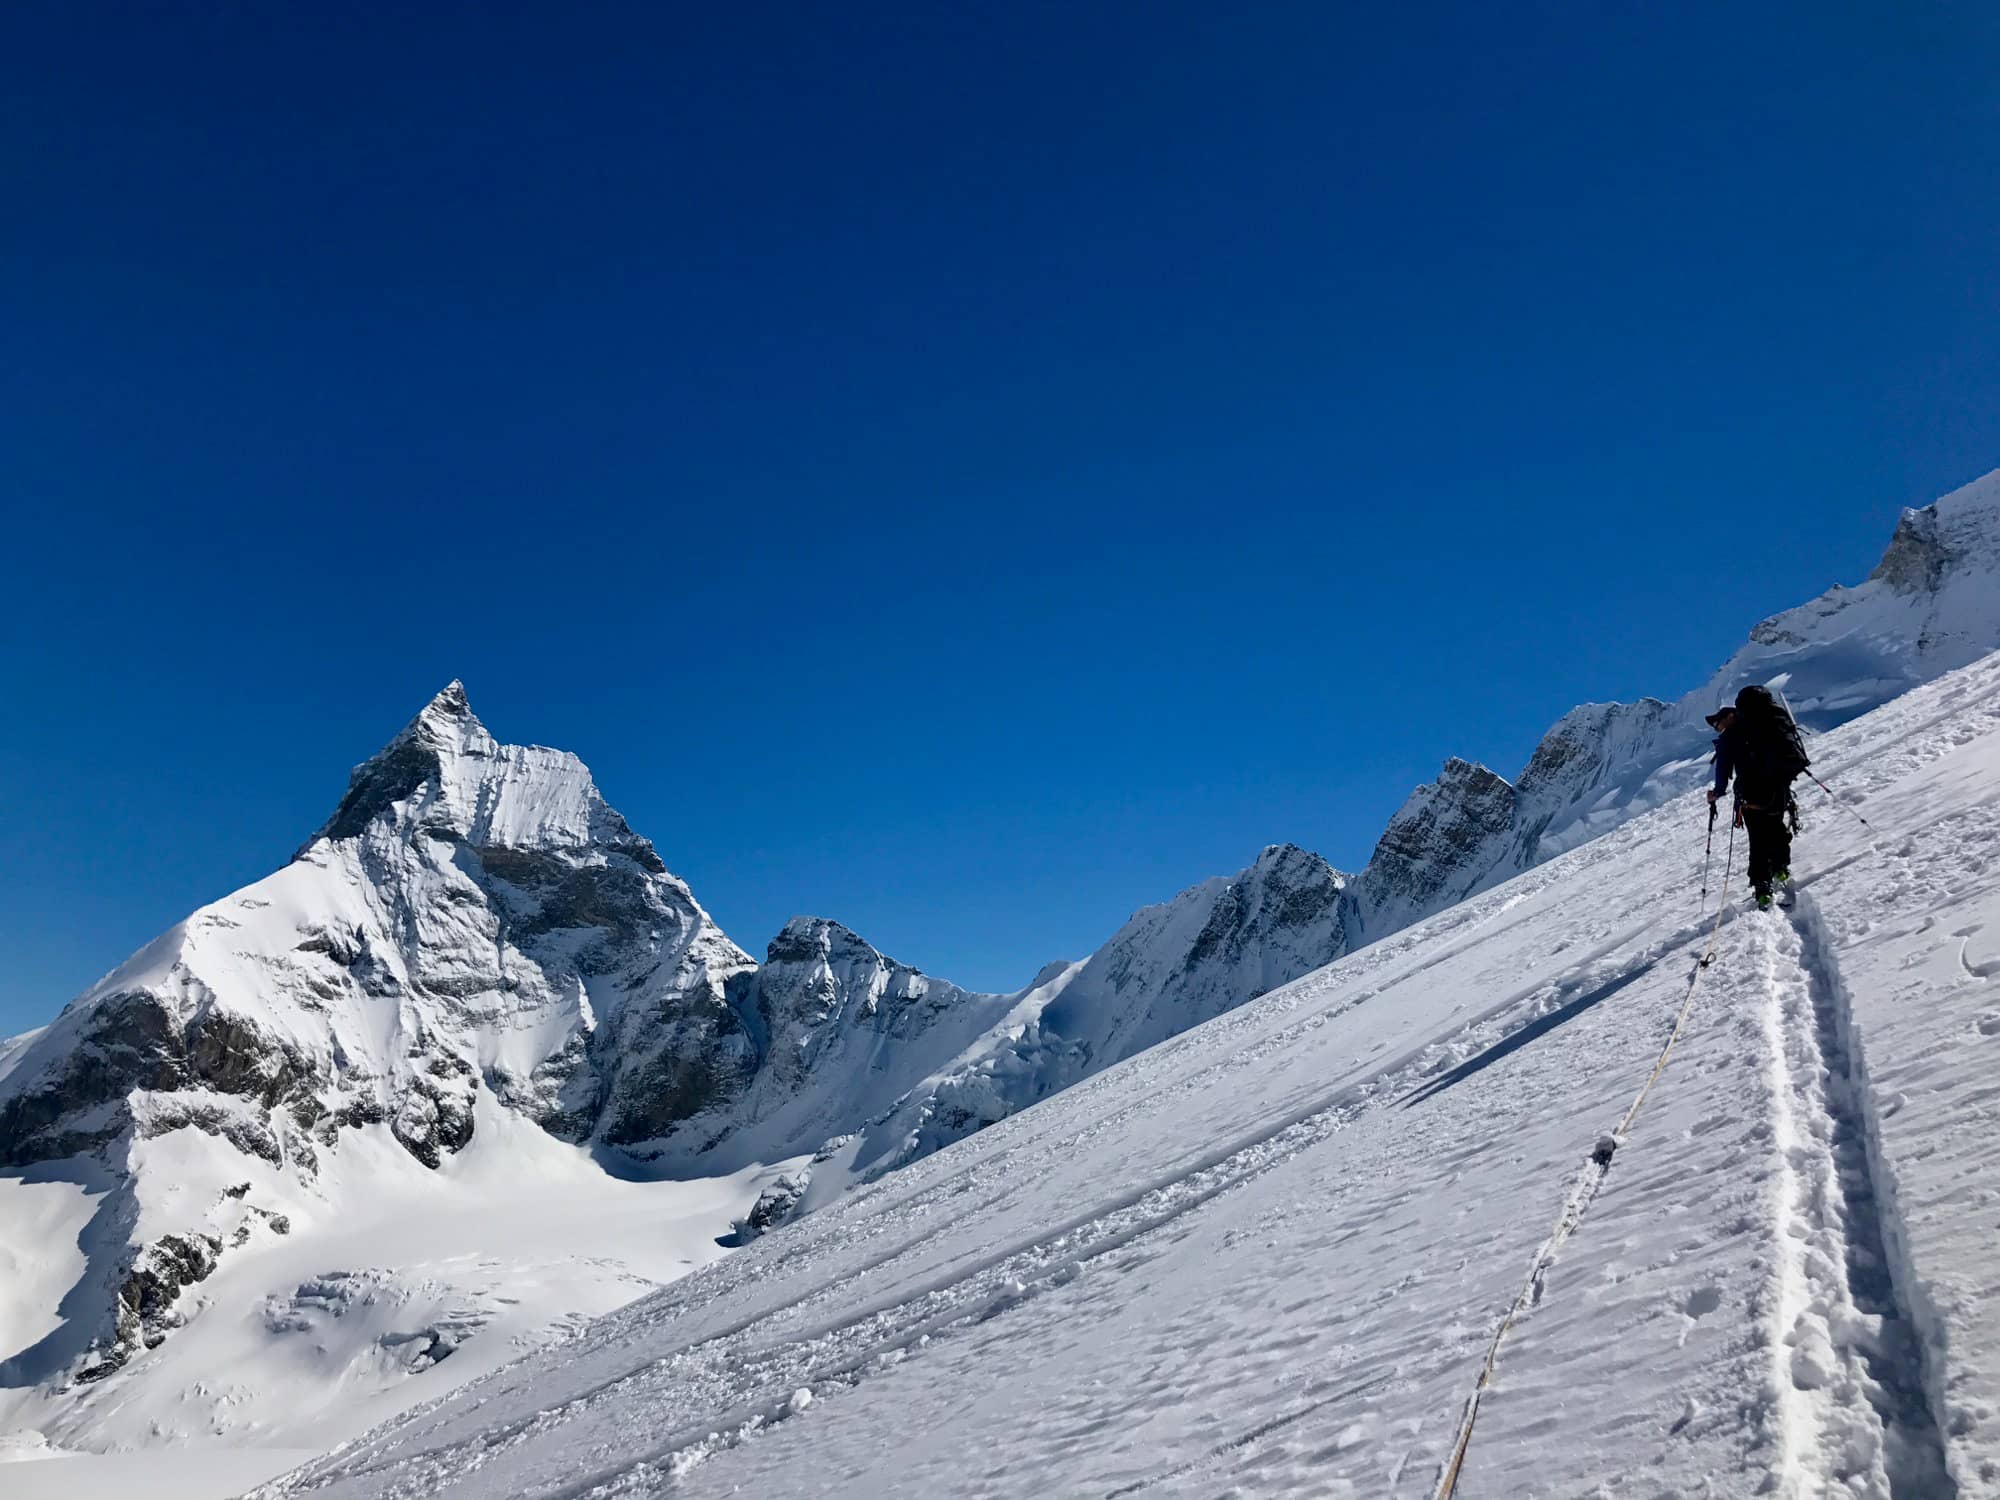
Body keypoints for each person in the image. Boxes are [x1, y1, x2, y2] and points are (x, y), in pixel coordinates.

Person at [1705, 700, 1798, 910]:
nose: (1717, 727)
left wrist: (1716, 793)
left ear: (1730, 717)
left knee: (1758, 839)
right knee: (1776, 827)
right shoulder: (1764, 726)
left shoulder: (1729, 739)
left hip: (1750, 795)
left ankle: (1762, 887)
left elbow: (1723, 774)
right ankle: (1780, 867)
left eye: (1718, 722)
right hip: (1777, 790)